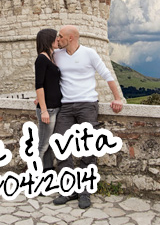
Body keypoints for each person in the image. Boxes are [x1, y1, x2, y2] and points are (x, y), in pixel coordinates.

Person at [51, 25, 124, 209]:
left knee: (88, 149)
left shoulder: (89, 53)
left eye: (60, 36)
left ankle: (84, 192)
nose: (57, 39)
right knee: (61, 146)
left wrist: (117, 98)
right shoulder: (57, 55)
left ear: (71, 38)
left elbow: (106, 74)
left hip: (87, 105)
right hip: (66, 106)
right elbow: (48, 77)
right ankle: (68, 190)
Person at [33, 28, 61, 172]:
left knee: (48, 144)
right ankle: (33, 175)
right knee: (42, 145)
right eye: (56, 38)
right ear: (48, 39)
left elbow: (49, 82)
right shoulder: (41, 59)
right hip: (48, 109)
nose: (58, 40)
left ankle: (47, 173)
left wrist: (39, 98)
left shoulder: (51, 57)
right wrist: (43, 109)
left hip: (54, 107)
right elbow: (39, 84)